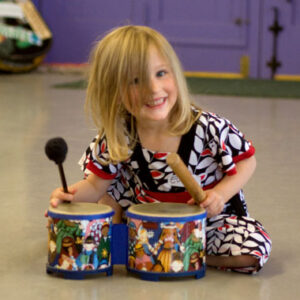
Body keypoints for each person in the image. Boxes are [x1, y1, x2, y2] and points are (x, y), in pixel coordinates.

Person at [49, 25, 271, 274]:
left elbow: (247, 162)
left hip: (206, 222)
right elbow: (95, 185)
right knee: (108, 182)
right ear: (114, 92)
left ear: (175, 74)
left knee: (254, 250)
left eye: (161, 73)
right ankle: (128, 233)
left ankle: (182, 254)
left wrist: (220, 194)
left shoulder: (208, 128)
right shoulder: (119, 134)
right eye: (135, 81)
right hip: (146, 223)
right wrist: (69, 196)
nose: (153, 90)